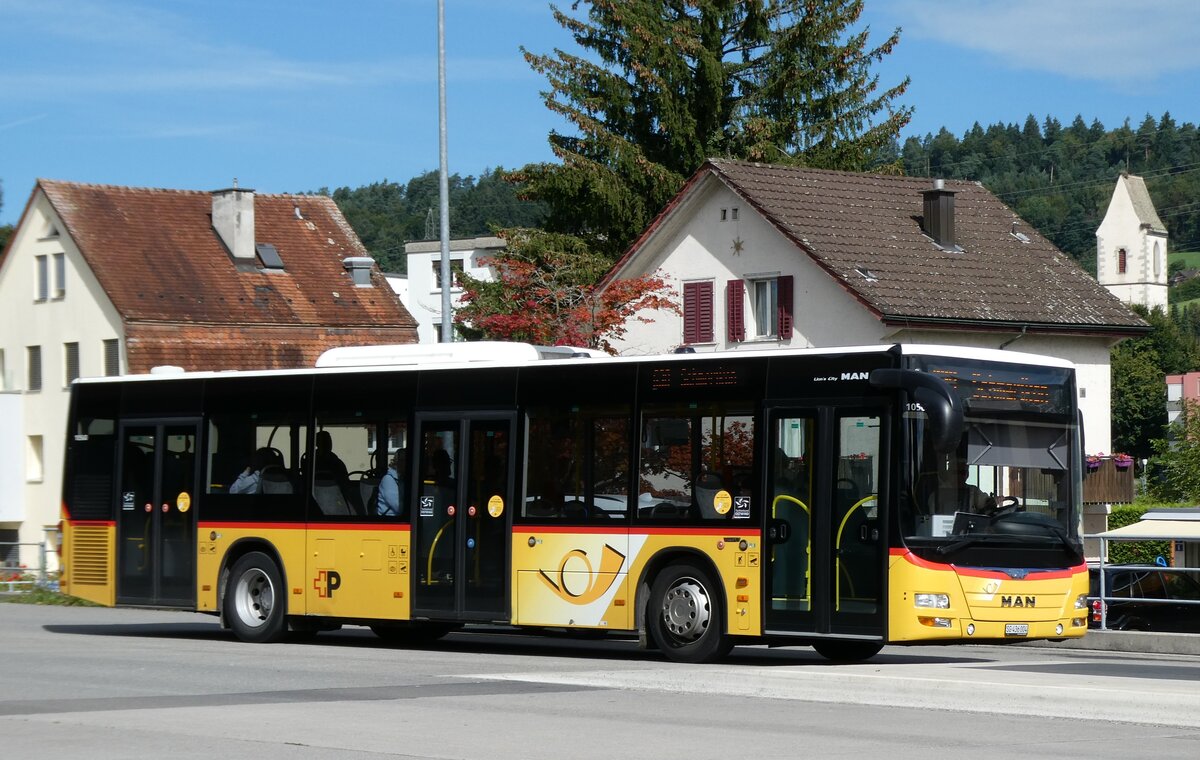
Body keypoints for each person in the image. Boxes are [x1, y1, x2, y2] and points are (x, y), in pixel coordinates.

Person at [377, 449, 406, 516]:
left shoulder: (402, 478)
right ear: (397, 462)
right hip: (390, 521)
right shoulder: (388, 479)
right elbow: (399, 507)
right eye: (403, 460)